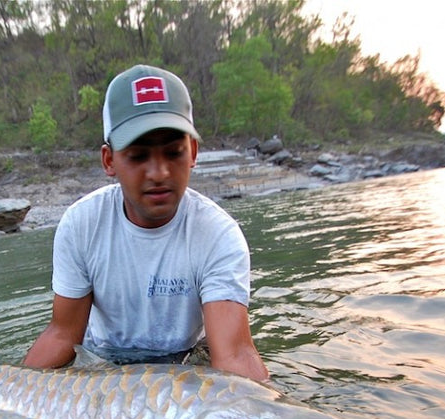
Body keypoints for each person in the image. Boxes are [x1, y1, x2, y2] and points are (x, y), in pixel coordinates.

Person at [23, 64, 268, 382]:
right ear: (109, 161)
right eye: (138, 156)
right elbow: (62, 334)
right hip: (104, 365)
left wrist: (280, 410)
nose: (159, 173)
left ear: (192, 152)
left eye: (174, 153)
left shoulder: (219, 236)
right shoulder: (81, 225)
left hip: (187, 364)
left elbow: (234, 353)